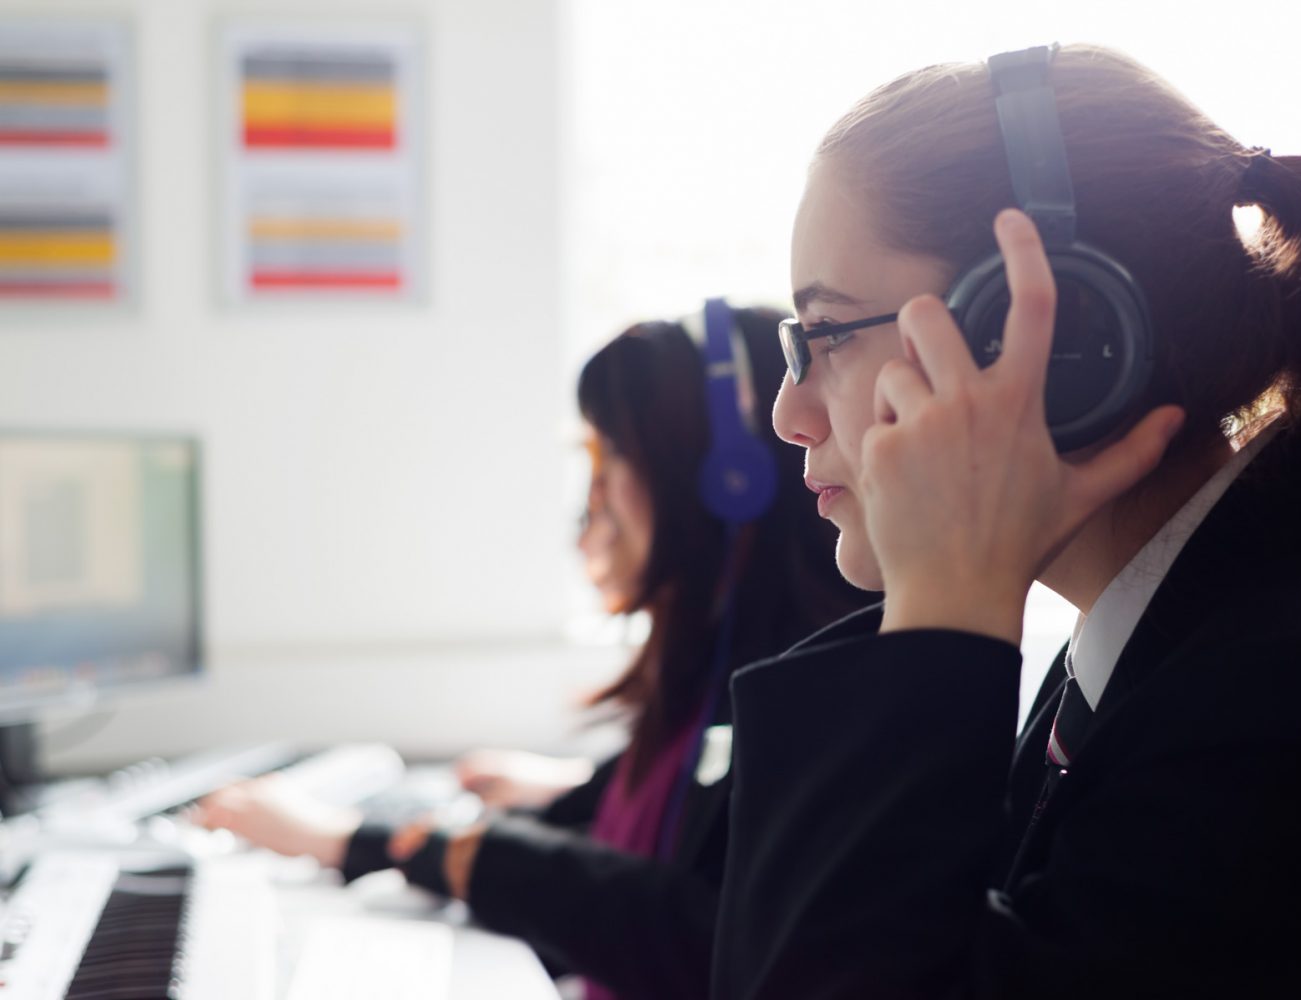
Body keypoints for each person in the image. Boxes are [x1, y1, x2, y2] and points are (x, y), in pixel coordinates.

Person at [710, 44, 1301, 998]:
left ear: (1053, 340)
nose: (789, 416)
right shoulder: (1160, 635)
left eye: (826, 336)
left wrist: (946, 609)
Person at [198, 304, 867, 1000]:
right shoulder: (706, 692)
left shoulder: (806, 702)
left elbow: (694, 932)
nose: (592, 507)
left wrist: (344, 839)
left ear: (726, 484)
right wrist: (564, 794)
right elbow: (621, 833)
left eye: (609, 466)